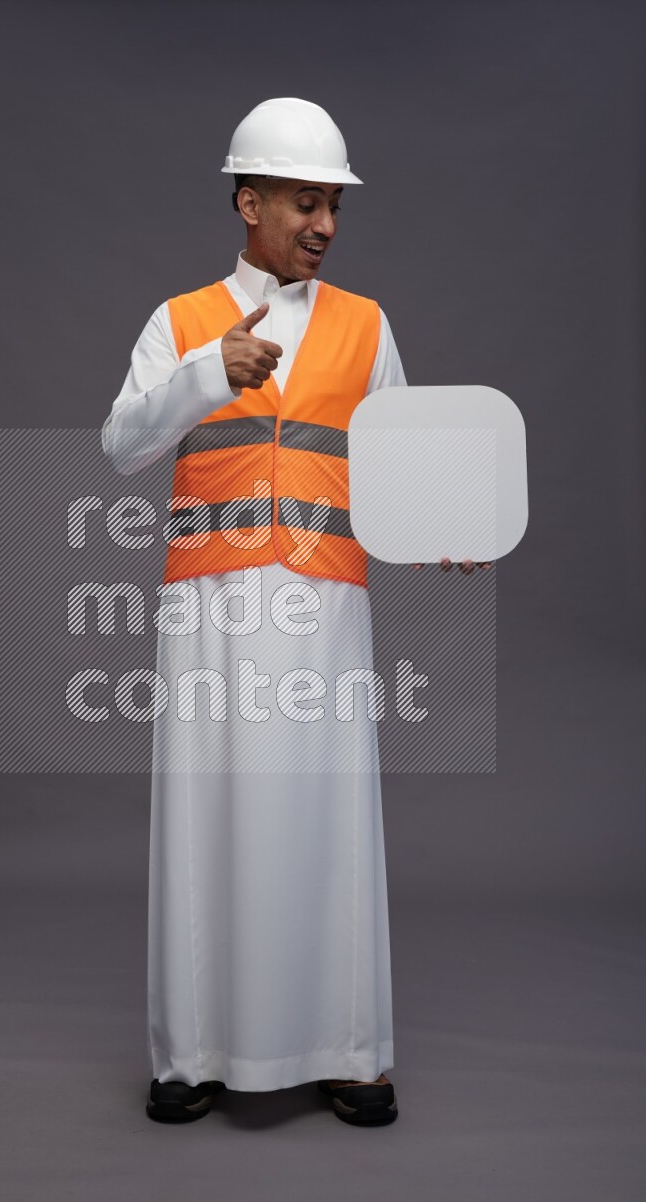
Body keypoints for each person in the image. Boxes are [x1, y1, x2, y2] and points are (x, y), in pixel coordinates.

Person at [101, 97, 485, 1128]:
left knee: (328, 816)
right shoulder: (180, 320)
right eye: (304, 202)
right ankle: (190, 1054)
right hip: (210, 606)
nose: (321, 223)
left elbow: (400, 457)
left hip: (322, 606)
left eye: (332, 206)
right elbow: (122, 444)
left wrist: (443, 521)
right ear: (248, 200)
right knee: (203, 810)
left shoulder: (365, 323)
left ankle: (348, 1051)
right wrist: (202, 373)